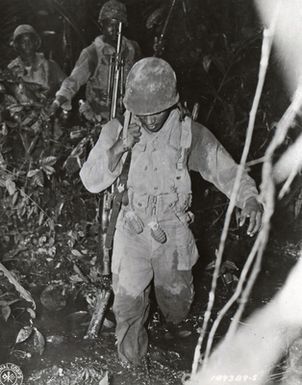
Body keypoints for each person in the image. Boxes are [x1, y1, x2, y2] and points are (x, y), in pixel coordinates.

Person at [79, 57, 263, 365]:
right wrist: (119, 148)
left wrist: (249, 199)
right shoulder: (115, 129)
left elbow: (226, 171)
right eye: (143, 112)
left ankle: (173, 331)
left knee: (176, 305)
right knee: (127, 306)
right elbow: (90, 181)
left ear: (173, 102)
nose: (150, 119)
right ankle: (132, 366)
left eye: (158, 111)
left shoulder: (188, 134)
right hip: (131, 228)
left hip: (173, 230)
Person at [50, 0, 141, 123]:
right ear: (101, 25)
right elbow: (73, 80)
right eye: (109, 24)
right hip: (98, 117)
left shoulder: (132, 49)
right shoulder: (92, 53)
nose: (114, 30)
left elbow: (143, 79)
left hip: (127, 116)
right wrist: (57, 103)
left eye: (118, 25)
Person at [8, 24, 65, 103]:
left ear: (35, 42)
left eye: (30, 40)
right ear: (17, 45)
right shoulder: (11, 70)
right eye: (23, 41)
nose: (27, 44)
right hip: (22, 113)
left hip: (49, 112)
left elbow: (67, 87)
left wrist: (56, 103)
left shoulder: (51, 66)